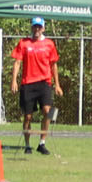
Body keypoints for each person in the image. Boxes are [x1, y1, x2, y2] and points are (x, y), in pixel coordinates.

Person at [11, 16, 62, 154]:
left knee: (47, 111)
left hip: (44, 82)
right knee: (28, 116)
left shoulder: (49, 44)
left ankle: (42, 142)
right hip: (28, 83)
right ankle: (27, 145)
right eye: (35, 26)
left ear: (43, 28)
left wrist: (57, 84)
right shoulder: (24, 43)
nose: (37, 29)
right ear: (31, 27)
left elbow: (53, 65)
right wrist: (14, 80)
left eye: (39, 27)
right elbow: (17, 62)